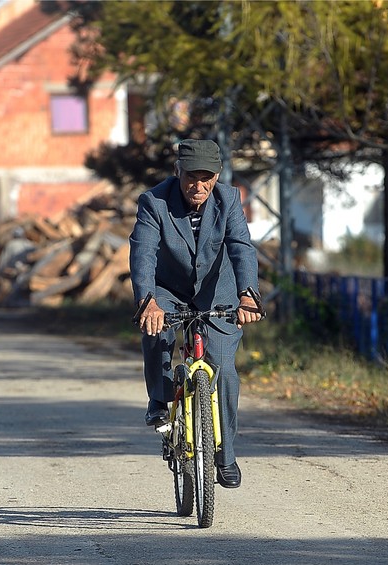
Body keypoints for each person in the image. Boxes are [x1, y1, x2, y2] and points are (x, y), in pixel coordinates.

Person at [129, 138, 263, 489]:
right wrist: (147, 301)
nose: (199, 186)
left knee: (225, 370)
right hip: (167, 289)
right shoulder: (154, 201)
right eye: (191, 177)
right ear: (178, 171)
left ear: (217, 176)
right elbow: (143, 252)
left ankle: (226, 455)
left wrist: (248, 295)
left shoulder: (229, 199)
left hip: (218, 292)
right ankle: (159, 399)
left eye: (207, 178)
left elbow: (241, 247)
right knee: (155, 329)